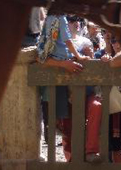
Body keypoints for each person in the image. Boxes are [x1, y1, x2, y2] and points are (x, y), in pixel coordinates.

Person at [36, 13, 101, 163]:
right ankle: (72, 161)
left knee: (94, 109)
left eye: (78, 19)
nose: (75, 22)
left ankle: (90, 152)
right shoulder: (57, 26)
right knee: (67, 129)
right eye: (72, 19)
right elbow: (43, 58)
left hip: (84, 90)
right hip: (62, 92)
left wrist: (78, 58)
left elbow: (90, 65)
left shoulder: (85, 41)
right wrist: (69, 61)